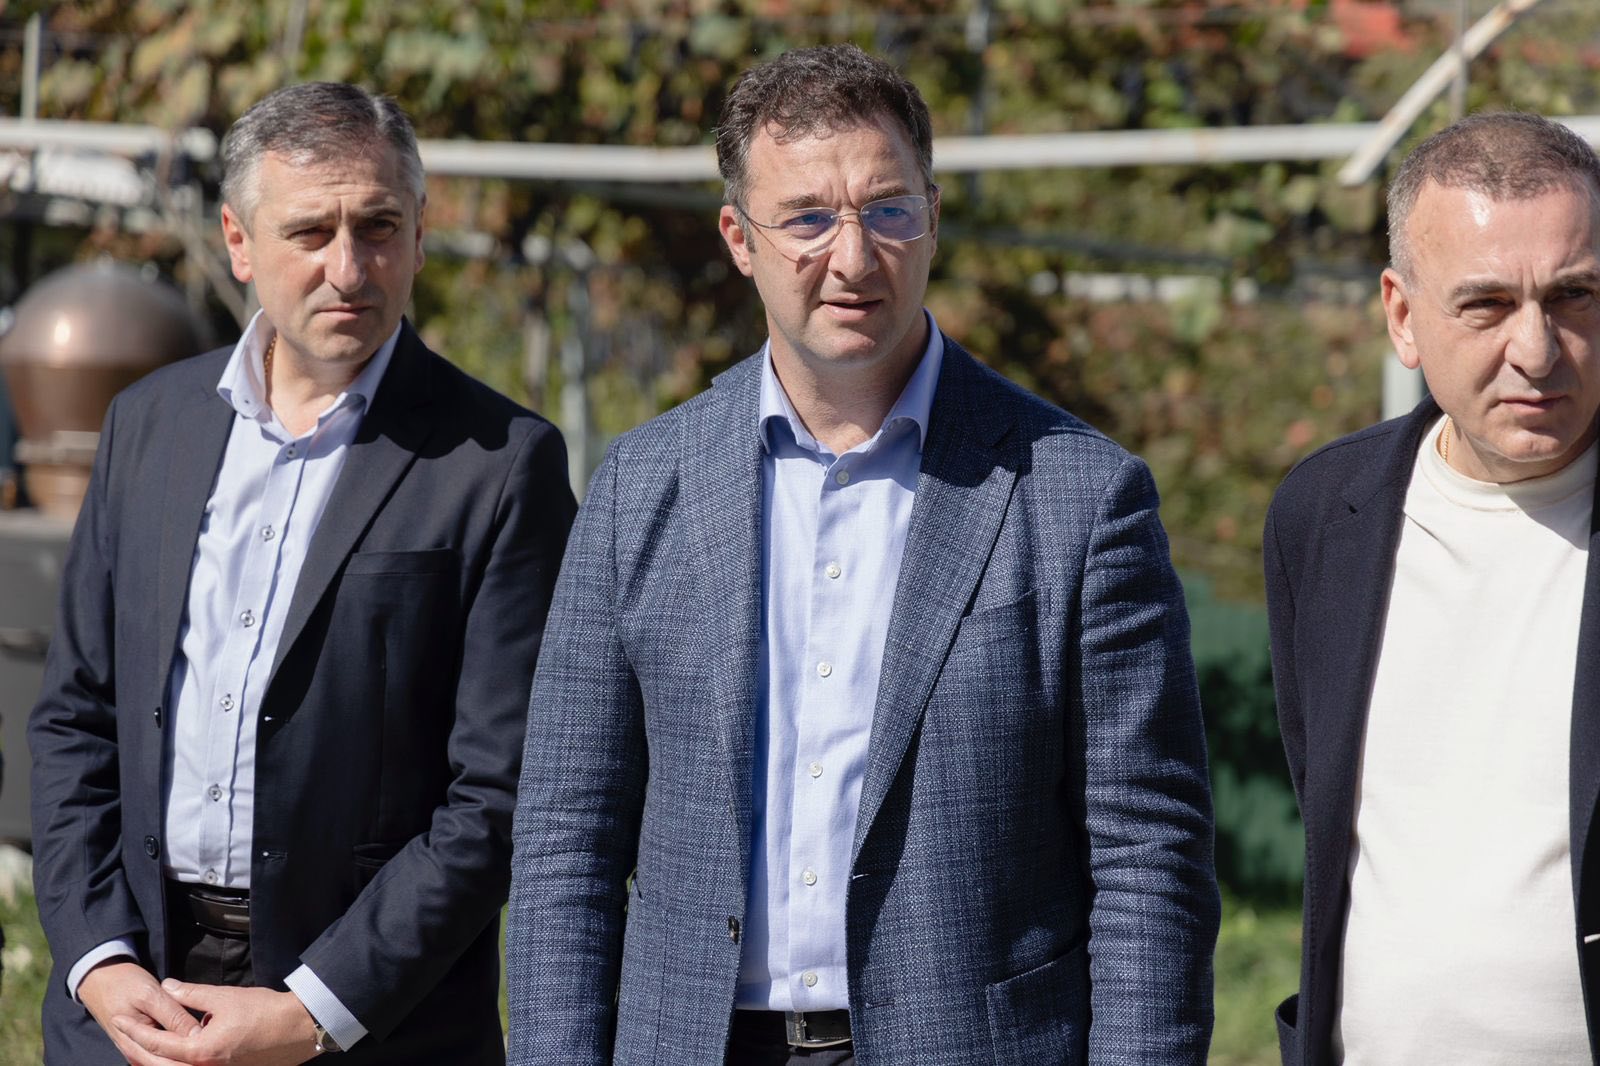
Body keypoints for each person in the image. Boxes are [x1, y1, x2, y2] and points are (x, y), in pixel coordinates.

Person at [507, 44, 1219, 1065]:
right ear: (739, 238)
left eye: (886, 210)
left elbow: (1149, 861)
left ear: (933, 215)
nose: (852, 257)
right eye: (806, 219)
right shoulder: (641, 485)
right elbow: (566, 842)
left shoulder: (1078, 496)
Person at [29, 82, 575, 1065]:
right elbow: (76, 717)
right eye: (311, 232)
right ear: (238, 241)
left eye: (379, 227)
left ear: (419, 234)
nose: (349, 268)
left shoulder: (498, 463)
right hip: (130, 1004)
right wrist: (99, 958)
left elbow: (501, 791)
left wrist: (316, 1009)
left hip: (371, 1024)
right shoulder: (149, 424)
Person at [1265, 111, 1600, 1065]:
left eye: (1573, 296)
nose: (1536, 349)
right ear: (1403, 316)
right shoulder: (1324, 516)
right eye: (1486, 305)